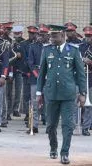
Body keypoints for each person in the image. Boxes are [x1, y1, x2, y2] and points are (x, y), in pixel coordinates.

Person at [36, 24, 86, 164]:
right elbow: (42, 73)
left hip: (68, 94)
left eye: (55, 36)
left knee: (68, 125)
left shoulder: (74, 51)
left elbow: (81, 75)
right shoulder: (47, 50)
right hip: (51, 93)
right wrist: (39, 92)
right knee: (51, 125)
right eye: (51, 35)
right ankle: (53, 147)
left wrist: (82, 93)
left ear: (63, 36)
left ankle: (65, 153)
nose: (51, 38)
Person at [27, 24, 50, 134]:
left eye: (43, 34)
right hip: (35, 78)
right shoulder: (33, 46)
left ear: (48, 35)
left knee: (49, 103)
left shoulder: (51, 47)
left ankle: (49, 126)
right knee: (35, 102)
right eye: (39, 34)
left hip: (49, 79)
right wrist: (37, 75)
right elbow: (30, 63)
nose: (40, 36)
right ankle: (33, 126)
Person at [19, 26, 39, 122]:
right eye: (30, 33)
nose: (32, 35)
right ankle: (28, 113)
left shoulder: (39, 45)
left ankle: (41, 115)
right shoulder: (23, 44)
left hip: (36, 73)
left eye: (34, 33)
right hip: (26, 73)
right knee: (27, 95)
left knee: (38, 95)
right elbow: (23, 59)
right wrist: (26, 71)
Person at [78, 26, 92, 136]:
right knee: (74, 102)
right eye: (86, 36)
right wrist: (83, 60)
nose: (88, 38)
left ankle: (86, 127)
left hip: (90, 78)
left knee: (88, 104)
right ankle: (72, 125)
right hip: (79, 77)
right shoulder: (80, 47)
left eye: (90, 36)